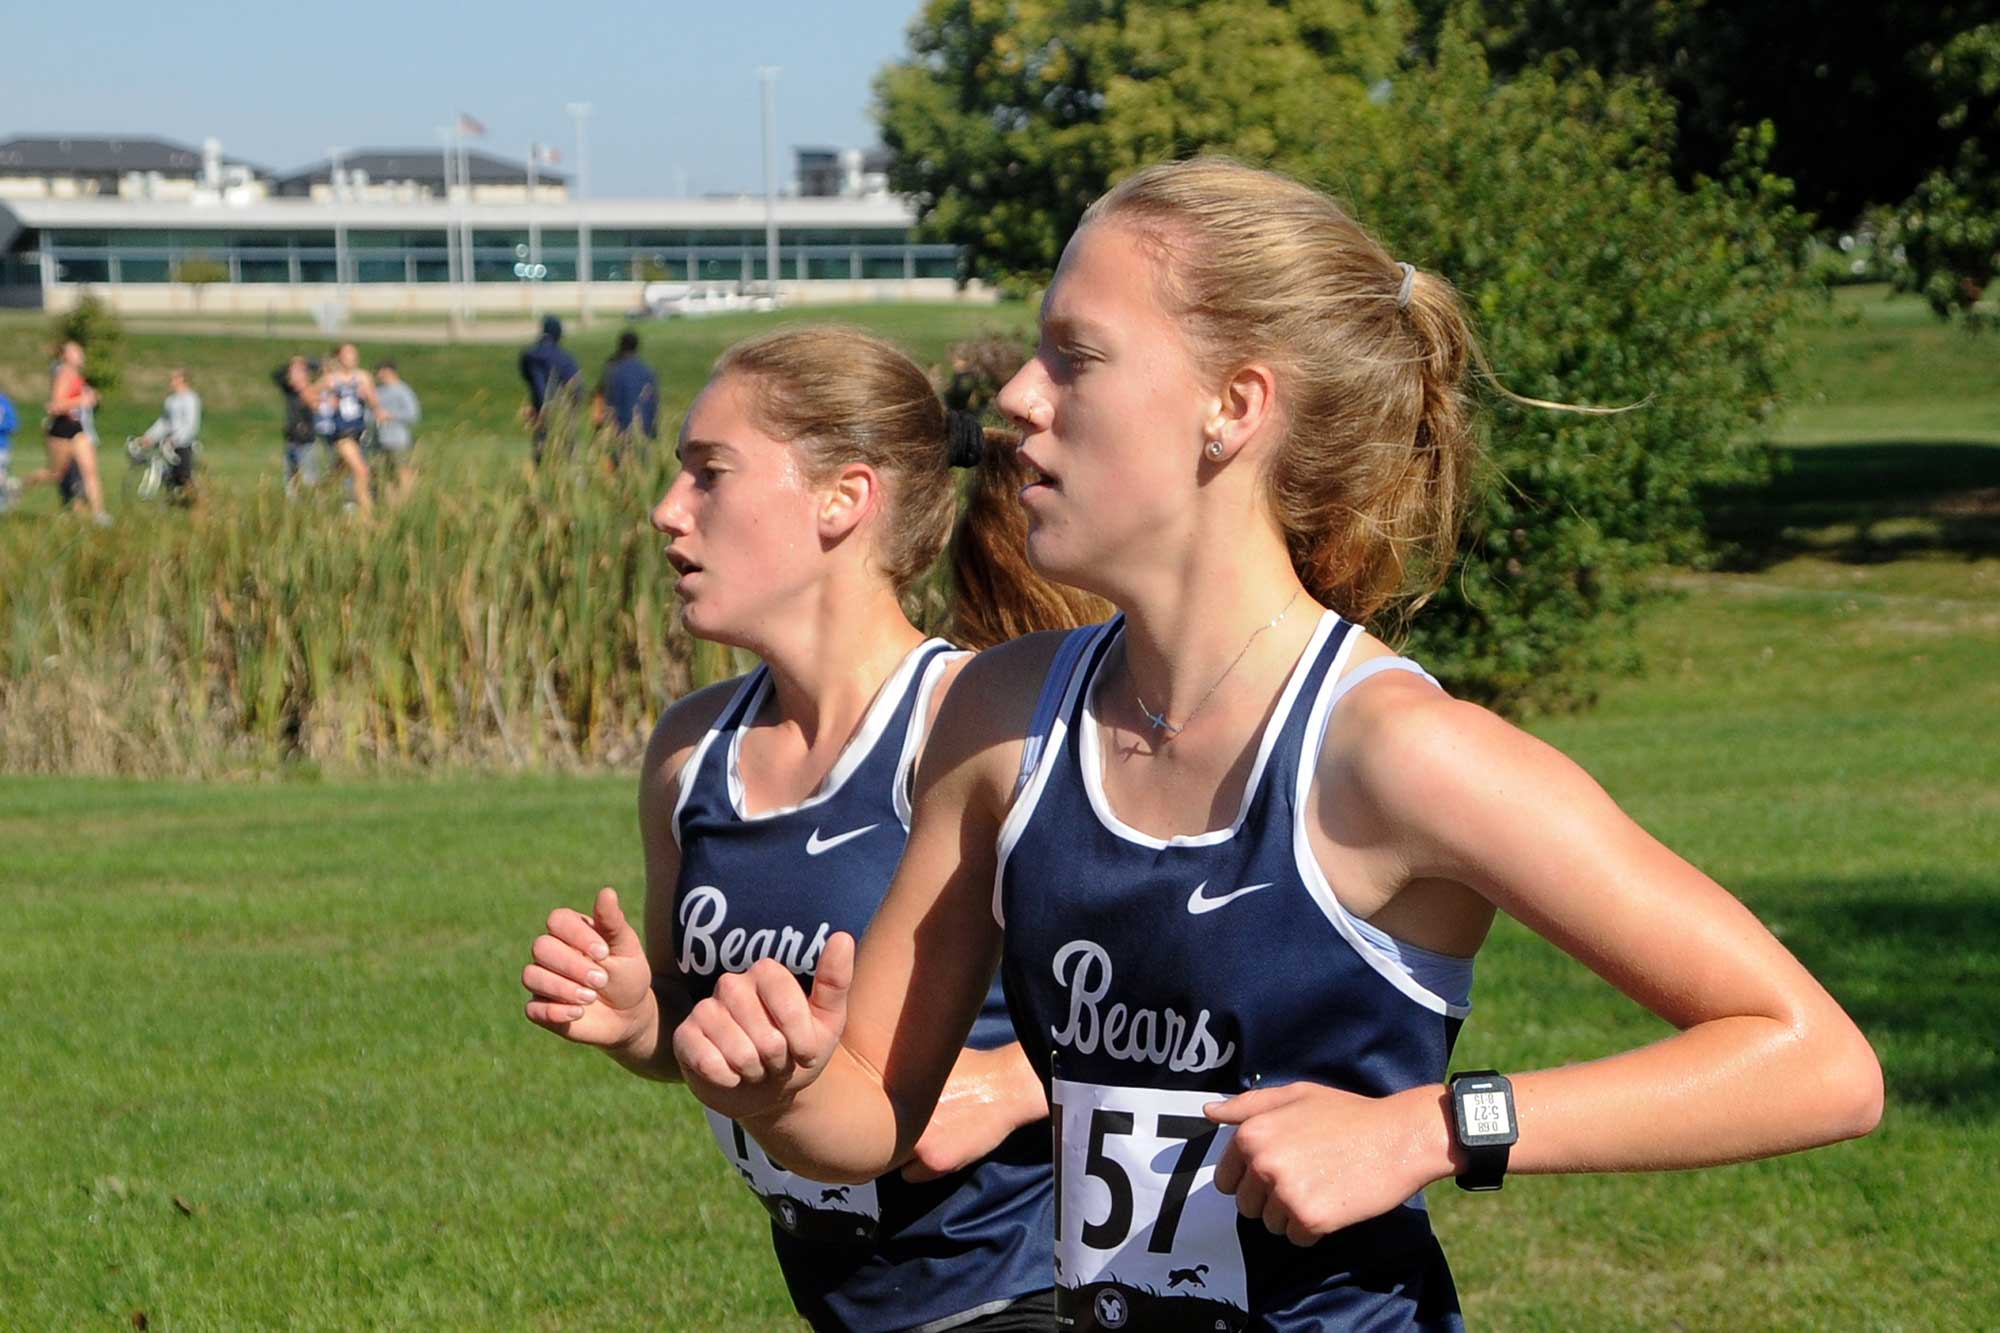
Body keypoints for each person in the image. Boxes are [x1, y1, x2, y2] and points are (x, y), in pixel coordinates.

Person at [667, 159, 1884, 1330]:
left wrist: (1428, 1128)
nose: (1017, 401)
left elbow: (1815, 1060)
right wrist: (783, 1086)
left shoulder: (1398, 755)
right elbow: (877, 1116)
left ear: (1231, 407)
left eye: (1073, 357)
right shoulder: (997, 718)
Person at [521, 325, 1103, 1331]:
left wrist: (1011, 1082)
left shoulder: (975, 727)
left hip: (1027, 1292)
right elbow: (703, 1034)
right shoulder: (688, 752)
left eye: (709, 475)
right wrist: (636, 1019)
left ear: (844, 498)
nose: (666, 513)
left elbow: (1174, 1009)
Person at [22, 340, 109, 525]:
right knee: (56, 474)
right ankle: (21, 484)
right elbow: (54, 406)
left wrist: (90, 398)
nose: (80, 353)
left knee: (90, 471)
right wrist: (82, 400)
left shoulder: (77, 374)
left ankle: (99, 514)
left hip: (76, 429)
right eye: (75, 351)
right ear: (65, 356)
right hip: (60, 429)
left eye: (79, 350)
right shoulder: (64, 373)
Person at [308, 343, 378, 519]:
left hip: (358, 432)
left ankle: (320, 493)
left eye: (354, 354)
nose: (352, 358)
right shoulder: (331, 379)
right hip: (340, 433)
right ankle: (367, 517)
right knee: (362, 471)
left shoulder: (363, 377)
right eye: (348, 354)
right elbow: (309, 395)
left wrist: (367, 396)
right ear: (339, 357)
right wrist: (324, 402)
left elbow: (375, 403)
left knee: (339, 472)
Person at [131, 367, 201, 502]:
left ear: (183, 380)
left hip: (184, 442)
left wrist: (175, 439)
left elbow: (191, 424)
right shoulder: (171, 400)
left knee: (183, 475)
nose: (171, 381)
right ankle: (172, 500)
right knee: (167, 475)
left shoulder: (191, 399)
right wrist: (149, 436)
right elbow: (164, 422)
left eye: (175, 378)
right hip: (168, 443)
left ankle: (194, 501)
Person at [519, 314, 581, 464]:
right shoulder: (566, 359)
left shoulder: (530, 356)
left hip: (541, 416)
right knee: (567, 459)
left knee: (541, 459)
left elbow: (534, 382)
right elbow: (577, 391)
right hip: (563, 417)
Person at [592, 328, 659, 466]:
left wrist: (600, 428)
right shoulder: (648, 372)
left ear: (620, 346)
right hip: (642, 431)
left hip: (619, 431)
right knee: (640, 470)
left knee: (619, 472)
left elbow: (605, 401)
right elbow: (653, 403)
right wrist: (653, 431)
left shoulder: (612, 371)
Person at [370, 360, 422, 506]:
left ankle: (406, 502)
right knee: (385, 474)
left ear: (389, 371)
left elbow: (413, 414)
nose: (378, 374)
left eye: (381, 371)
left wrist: (390, 415)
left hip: (398, 440)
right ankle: (390, 504)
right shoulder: (379, 390)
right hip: (380, 440)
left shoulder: (402, 390)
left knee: (402, 471)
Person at [274, 355, 322, 492]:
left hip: (306, 441)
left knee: (309, 478)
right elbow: (277, 375)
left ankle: (313, 503)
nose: (293, 377)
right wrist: (291, 364)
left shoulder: (310, 392)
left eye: (297, 373)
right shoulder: (291, 392)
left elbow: (322, 366)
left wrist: (305, 362)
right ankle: (293, 507)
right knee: (290, 479)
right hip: (291, 440)